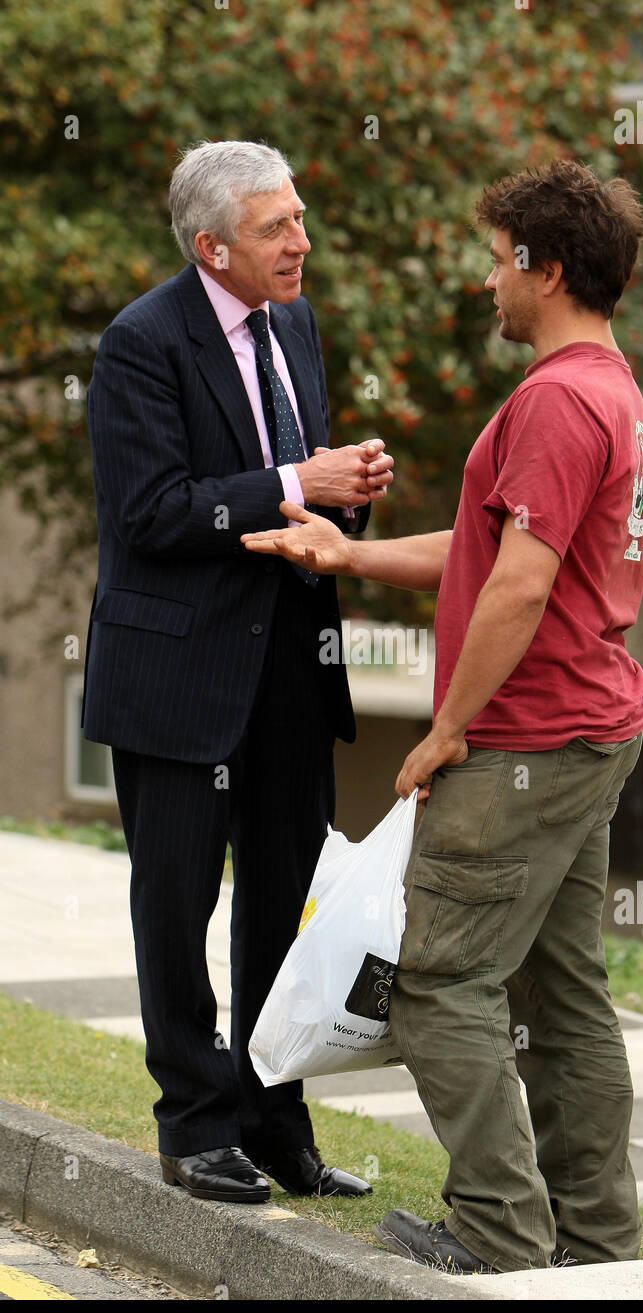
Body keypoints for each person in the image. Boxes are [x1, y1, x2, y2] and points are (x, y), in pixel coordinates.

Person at [242, 159, 643, 1269]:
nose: (485, 283)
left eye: (493, 259)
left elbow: (518, 588)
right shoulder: (604, 385)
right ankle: (597, 1244)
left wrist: (441, 730)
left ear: (544, 267)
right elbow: (492, 554)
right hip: (588, 729)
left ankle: (498, 1233)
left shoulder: (558, 400)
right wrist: (348, 551)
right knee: (559, 991)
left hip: (523, 739)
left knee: (436, 984)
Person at [81, 140, 393, 1203]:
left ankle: (272, 1122)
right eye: (276, 228)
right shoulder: (137, 343)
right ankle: (194, 1124)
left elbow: (287, 488)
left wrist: (341, 490)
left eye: (298, 219)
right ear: (211, 246)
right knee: (175, 909)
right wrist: (286, 481)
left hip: (293, 673)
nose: (300, 242)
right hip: (177, 678)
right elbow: (151, 512)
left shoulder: (292, 322)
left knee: (280, 903)